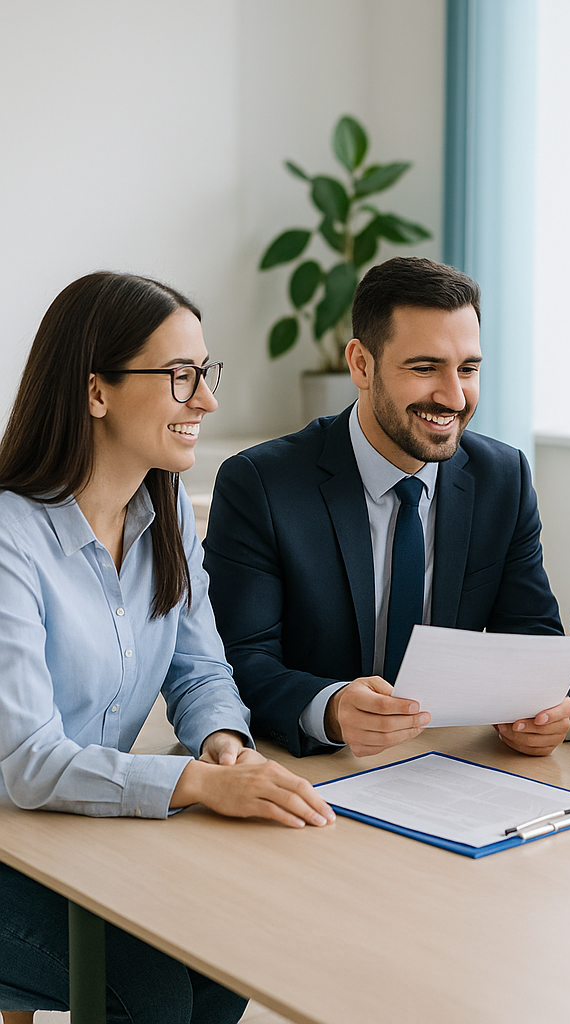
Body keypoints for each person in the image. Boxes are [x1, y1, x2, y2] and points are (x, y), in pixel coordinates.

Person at [0, 273, 336, 1024]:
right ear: (96, 392)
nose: (207, 402)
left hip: (80, 829)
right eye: (182, 377)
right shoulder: (9, 540)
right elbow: (25, 763)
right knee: (148, 993)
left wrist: (222, 743)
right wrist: (194, 784)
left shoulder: (168, 508)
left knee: (225, 957)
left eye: (205, 374)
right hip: (11, 840)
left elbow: (200, 668)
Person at [203, 256, 567, 760]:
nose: (454, 397)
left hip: (453, 764)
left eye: (468, 369)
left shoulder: (503, 478)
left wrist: (544, 710)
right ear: (361, 364)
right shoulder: (261, 484)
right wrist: (329, 709)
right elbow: (234, 659)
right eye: (425, 368)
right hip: (317, 769)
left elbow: (532, 639)